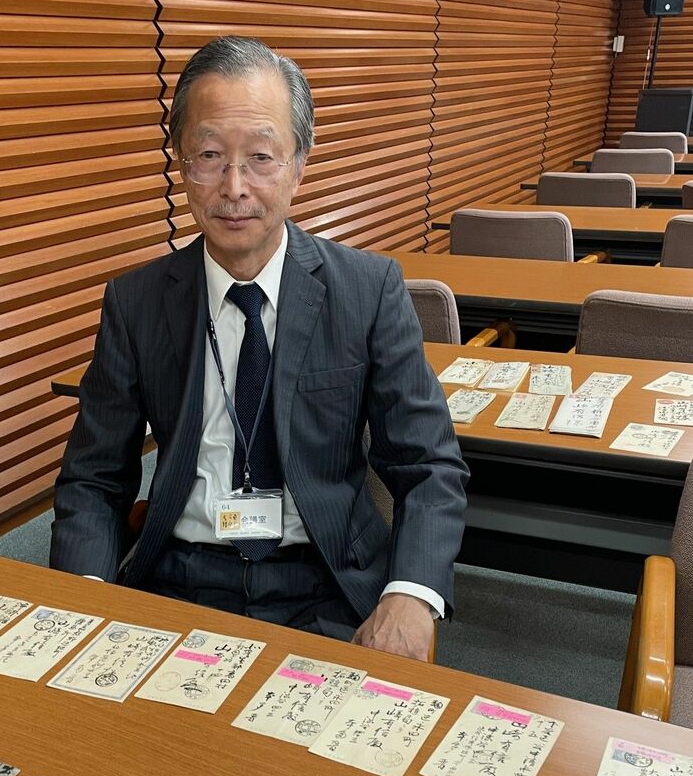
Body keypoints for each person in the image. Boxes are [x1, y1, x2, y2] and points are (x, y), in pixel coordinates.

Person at [50, 36, 468, 662]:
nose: (234, 187)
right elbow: (93, 477)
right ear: (180, 163)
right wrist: (84, 590)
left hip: (328, 582)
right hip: (177, 580)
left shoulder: (368, 290)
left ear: (299, 164)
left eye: (261, 157)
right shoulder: (135, 302)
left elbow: (429, 465)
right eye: (209, 155)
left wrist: (411, 595)